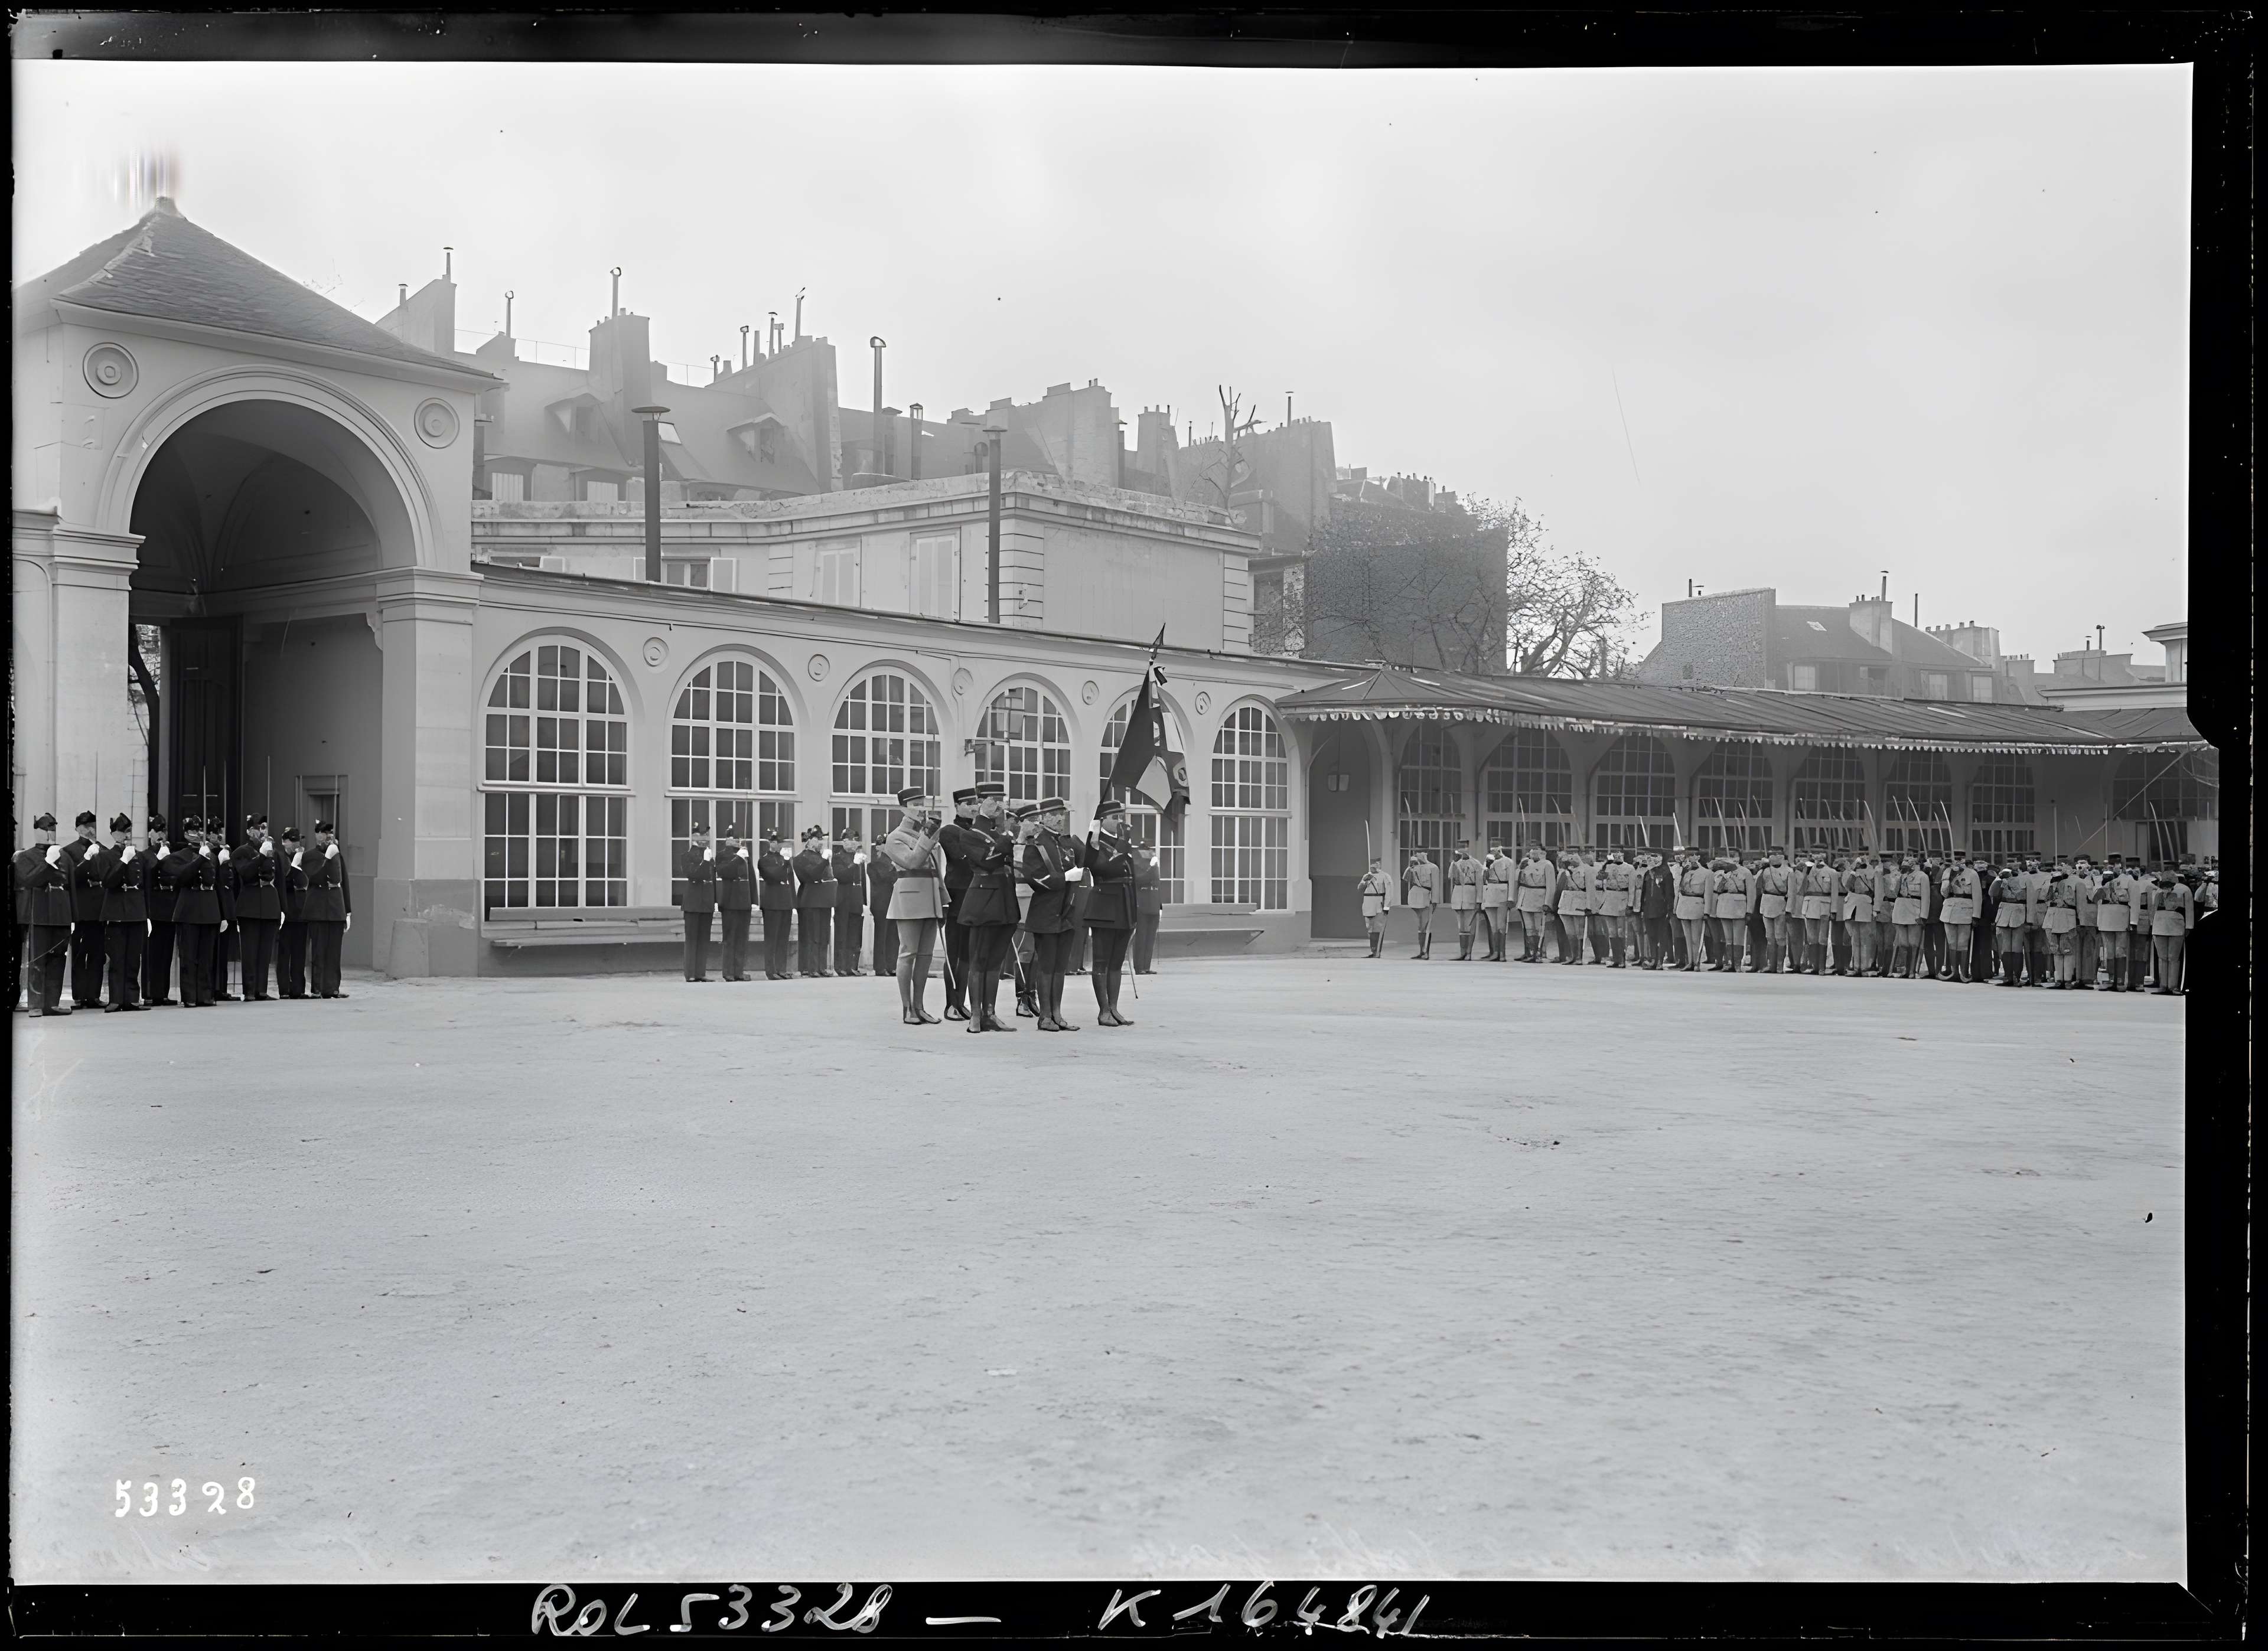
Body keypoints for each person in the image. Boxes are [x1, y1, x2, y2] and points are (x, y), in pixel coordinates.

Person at [954, 783, 1020, 1032]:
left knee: (995, 961)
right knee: (979, 960)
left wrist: (1007, 839)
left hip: (1004, 898)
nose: (999, 805)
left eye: (1001, 801)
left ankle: (990, 1013)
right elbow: (987, 860)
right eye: (993, 801)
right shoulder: (971, 833)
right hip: (983, 900)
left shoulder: (1001, 832)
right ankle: (976, 1014)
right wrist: (1007, 838)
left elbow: (1010, 858)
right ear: (980, 804)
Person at [1021, 795, 1086, 1032]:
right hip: (1046, 912)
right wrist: (1064, 878)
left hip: (1066, 912)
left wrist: (1090, 837)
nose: (1060, 819)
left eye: (1062, 815)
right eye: (1055, 815)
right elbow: (1036, 878)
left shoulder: (1067, 844)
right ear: (1044, 818)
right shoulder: (1036, 845)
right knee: (1047, 966)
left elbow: (1086, 860)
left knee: (1060, 967)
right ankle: (1045, 1016)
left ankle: (1057, 1013)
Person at [882, 787, 946, 1024]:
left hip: (930, 897)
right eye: (914, 804)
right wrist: (928, 838)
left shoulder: (926, 834)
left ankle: (920, 1006)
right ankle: (907, 1007)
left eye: (922, 803)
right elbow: (911, 861)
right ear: (902, 808)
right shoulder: (895, 837)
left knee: (926, 955)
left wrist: (943, 899)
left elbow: (936, 871)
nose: (920, 809)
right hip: (908, 897)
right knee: (908, 953)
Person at [1084, 798, 1139, 1026]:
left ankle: (1114, 1008)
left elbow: (1131, 877)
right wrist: (1123, 844)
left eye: (1121, 817)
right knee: (1101, 961)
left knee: (1117, 962)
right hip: (1104, 906)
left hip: (1123, 906)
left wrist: (1134, 910)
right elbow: (1105, 868)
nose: (1120, 822)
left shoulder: (1121, 843)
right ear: (1103, 820)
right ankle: (1103, 1010)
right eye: (1115, 818)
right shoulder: (1096, 842)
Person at [15, 814, 76, 1016]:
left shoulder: (65, 856)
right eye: (46, 830)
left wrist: (73, 917)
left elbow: (71, 887)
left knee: (58, 959)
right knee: (38, 960)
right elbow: (28, 881)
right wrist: (48, 863)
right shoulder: (25, 857)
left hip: (61, 913)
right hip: (39, 914)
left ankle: (52, 1003)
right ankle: (36, 1004)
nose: (51, 834)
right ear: (37, 831)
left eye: (53, 829)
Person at [936, 788, 984, 1020]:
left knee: (968, 954)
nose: (973, 807)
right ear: (957, 806)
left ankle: (962, 1001)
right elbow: (961, 858)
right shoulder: (949, 831)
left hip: (976, 896)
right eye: (968, 804)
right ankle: (951, 1003)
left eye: (975, 803)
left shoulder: (978, 830)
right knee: (954, 953)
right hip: (957, 897)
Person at [94, 813, 149, 1012]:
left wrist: (147, 914)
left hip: (136, 911)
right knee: (117, 958)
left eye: (128, 831)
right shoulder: (105, 856)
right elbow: (108, 881)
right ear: (113, 834)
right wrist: (123, 862)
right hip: (116, 911)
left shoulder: (139, 856)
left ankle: (133, 998)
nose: (125, 835)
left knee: (134, 957)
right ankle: (116, 999)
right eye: (121, 832)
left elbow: (145, 886)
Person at [166, 818, 221, 1007]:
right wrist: (200, 860)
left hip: (209, 907)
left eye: (199, 831)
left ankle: (205, 994)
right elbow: (181, 878)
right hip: (189, 908)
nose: (197, 834)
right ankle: (189, 996)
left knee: (206, 956)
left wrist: (223, 914)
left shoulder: (212, 856)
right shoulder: (178, 855)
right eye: (193, 831)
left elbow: (218, 884)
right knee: (189, 957)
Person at [232, 814, 283, 1001]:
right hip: (250, 905)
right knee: (250, 952)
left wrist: (282, 908)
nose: (263, 831)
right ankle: (250, 990)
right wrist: (261, 856)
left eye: (265, 828)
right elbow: (245, 874)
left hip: (269, 905)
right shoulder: (241, 852)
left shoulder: (273, 851)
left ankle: (262, 990)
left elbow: (281, 882)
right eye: (259, 828)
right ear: (249, 831)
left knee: (265, 952)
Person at [302, 820, 352, 999]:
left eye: (330, 833)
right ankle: (317, 988)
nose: (328, 836)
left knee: (334, 952)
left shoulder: (337, 854)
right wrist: (327, 859)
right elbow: (315, 877)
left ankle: (332, 988)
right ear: (317, 835)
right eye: (324, 833)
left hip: (336, 908)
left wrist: (348, 910)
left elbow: (343, 881)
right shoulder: (309, 856)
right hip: (318, 909)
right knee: (319, 951)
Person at [63, 809, 106, 1009]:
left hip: (99, 907)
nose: (91, 831)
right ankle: (80, 995)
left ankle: (94, 995)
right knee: (80, 954)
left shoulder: (102, 848)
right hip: (81, 907)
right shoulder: (69, 851)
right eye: (87, 827)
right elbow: (71, 878)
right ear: (78, 829)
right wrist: (87, 859)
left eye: (93, 827)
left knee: (97, 952)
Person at [140, 814, 180, 1006]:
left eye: (163, 831)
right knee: (152, 954)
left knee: (166, 953)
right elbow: (147, 878)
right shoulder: (146, 855)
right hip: (154, 910)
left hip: (169, 908)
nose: (160, 835)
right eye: (157, 831)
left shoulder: (171, 855)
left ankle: (162, 993)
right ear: (150, 833)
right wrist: (159, 860)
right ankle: (149, 993)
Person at [1009, 802, 1042, 1018]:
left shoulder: (1040, 845)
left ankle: (1033, 993)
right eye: (1031, 821)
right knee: (1024, 949)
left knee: (1036, 950)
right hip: (1021, 899)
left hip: (1039, 899)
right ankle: (1022, 997)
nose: (1036, 825)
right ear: (1022, 823)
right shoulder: (1014, 846)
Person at [790, 826, 835, 977]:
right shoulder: (800, 858)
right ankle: (810, 967)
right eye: (817, 839)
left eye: (821, 839)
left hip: (824, 898)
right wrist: (824, 861)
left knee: (823, 935)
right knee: (812, 935)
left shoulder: (820, 856)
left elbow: (828, 876)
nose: (820, 842)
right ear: (808, 842)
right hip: (810, 899)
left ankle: (821, 967)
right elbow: (812, 875)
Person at [206, 815, 241, 1003]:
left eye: (221, 832)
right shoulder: (208, 854)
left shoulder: (227, 853)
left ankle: (222, 987)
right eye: (216, 833)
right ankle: (211, 987)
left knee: (224, 953)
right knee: (213, 952)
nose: (219, 836)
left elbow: (232, 883)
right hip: (216, 909)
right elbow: (217, 884)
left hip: (228, 908)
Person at [678, 819, 718, 982]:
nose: (704, 839)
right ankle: (690, 974)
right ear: (693, 837)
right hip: (693, 902)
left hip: (706, 902)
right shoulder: (687, 856)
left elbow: (713, 879)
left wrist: (715, 900)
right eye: (700, 836)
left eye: (706, 836)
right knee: (692, 939)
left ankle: (701, 973)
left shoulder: (708, 855)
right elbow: (693, 874)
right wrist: (705, 862)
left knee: (703, 939)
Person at [715, 823, 754, 981]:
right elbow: (724, 872)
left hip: (744, 901)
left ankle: (739, 971)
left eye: (735, 839)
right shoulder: (723, 855)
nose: (733, 842)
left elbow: (750, 877)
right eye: (730, 839)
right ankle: (728, 971)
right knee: (730, 938)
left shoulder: (743, 854)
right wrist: (737, 859)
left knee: (742, 938)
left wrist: (753, 899)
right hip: (730, 901)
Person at [2145, 863, 2192, 996]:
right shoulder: (2158, 891)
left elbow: (2189, 909)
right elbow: (2153, 909)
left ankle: (2173, 986)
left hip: (2175, 927)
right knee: (2163, 958)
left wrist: (2189, 926)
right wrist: (2152, 925)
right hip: (2160, 926)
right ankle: (2164, 986)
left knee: (2173, 958)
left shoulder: (2184, 890)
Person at [276, 825, 311, 999]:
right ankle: (284, 989)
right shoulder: (280, 857)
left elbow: (308, 880)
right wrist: (295, 867)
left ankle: (298, 988)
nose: (297, 845)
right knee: (284, 953)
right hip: (286, 911)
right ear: (285, 842)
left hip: (302, 912)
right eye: (293, 841)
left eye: (298, 841)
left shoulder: (305, 858)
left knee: (300, 953)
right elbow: (283, 881)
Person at [2094, 854, 2137, 993]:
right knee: (2109, 951)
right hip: (2106, 919)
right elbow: (2096, 900)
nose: (2115, 866)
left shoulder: (2129, 881)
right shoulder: (2102, 880)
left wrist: (2133, 921)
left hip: (2121, 919)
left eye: (2117, 863)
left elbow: (2135, 902)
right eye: (2112, 863)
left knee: (2120, 950)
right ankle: (2110, 980)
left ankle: (2120, 981)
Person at [757, 830, 796, 981]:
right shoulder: (764, 860)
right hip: (772, 903)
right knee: (772, 938)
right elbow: (774, 877)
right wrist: (786, 863)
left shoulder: (783, 859)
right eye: (773, 842)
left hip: (785, 903)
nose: (775, 845)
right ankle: (771, 970)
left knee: (783, 938)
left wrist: (793, 902)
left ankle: (781, 968)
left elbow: (790, 881)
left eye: (777, 842)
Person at [1939, 849, 1980, 983]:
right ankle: (1953, 971)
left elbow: (1977, 896)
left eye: (1960, 858)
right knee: (1951, 942)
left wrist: (1976, 916)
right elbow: (1944, 893)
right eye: (1955, 858)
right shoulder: (1947, 872)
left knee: (1963, 943)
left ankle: (1964, 972)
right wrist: (1949, 878)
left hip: (1966, 909)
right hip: (1950, 908)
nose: (1957, 861)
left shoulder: (1972, 874)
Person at [1753, 846, 1793, 974]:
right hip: (1766, 903)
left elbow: (1791, 893)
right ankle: (1771, 965)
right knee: (1769, 937)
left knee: (1780, 937)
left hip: (1780, 903)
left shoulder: (1789, 872)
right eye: (1771, 855)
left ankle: (1780, 966)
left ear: (1782, 856)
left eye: (1776, 854)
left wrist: (1789, 910)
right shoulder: (1765, 871)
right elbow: (1757, 886)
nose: (1774, 857)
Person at [832, 830, 866, 977]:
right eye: (850, 841)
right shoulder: (838, 858)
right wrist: (854, 864)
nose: (853, 844)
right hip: (843, 898)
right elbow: (841, 876)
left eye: (855, 841)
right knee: (842, 933)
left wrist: (864, 900)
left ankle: (853, 966)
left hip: (856, 899)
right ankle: (841, 967)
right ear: (844, 842)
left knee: (855, 934)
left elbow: (862, 880)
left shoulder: (857, 857)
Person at [1712, 853, 1754, 974]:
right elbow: (1718, 890)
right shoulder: (1721, 873)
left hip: (1739, 906)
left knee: (1738, 938)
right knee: (1728, 938)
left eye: (1734, 857)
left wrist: (1749, 911)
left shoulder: (1745, 872)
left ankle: (1737, 964)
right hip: (1724, 906)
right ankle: (1729, 962)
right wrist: (1724, 877)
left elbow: (1751, 893)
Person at [1593, 848, 1635, 967]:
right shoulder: (1608, 867)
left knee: (1621, 931)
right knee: (1612, 932)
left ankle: (1622, 959)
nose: (1617, 856)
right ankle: (1616, 959)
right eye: (1614, 854)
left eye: (1619, 854)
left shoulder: (1630, 868)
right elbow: (1599, 879)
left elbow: (1631, 888)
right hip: (1610, 899)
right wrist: (1606, 864)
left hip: (1622, 898)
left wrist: (1630, 905)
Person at [1887, 854, 1927, 979]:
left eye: (1908, 862)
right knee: (1902, 942)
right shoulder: (1901, 876)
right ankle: (1903, 969)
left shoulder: (1922, 877)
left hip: (1915, 910)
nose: (1905, 864)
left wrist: (1923, 915)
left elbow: (1926, 898)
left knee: (1914, 943)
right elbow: (1894, 892)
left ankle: (1913, 970)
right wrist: (1898, 877)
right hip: (1901, 909)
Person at [1514, 843, 1556, 962]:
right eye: (1532, 850)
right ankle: (1531, 953)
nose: (1534, 852)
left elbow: (1551, 885)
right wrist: (1520, 868)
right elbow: (1518, 880)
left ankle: (1540, 953)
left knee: (1539, 928)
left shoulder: (1547, 865)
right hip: (1526, 898)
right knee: (1529, 928)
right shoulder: (1526, 863)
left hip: (1540, 898)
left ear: (1543, 852)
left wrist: (1548, 903)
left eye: (1537, 849)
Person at [1990, 862, 2029, 987]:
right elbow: (1992, 893)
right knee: (2005, 947)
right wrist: (1999, 878)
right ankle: (2008, 977)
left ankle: (2016, 977)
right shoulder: (2002, 880)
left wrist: (2030, 919)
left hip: (2019, 911)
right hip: (2004, 912)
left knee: (2017, 947)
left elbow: (2026, 897)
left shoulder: (2024, 879)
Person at [867, 833, 900, 977]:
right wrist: (892, 867)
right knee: (882, 936)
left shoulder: (891, 863)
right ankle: (880, 967)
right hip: (881, 904)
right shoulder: (874, 864)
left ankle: (892, 965)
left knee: (893, 936)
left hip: (893, 902)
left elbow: (895, 878)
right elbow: (883, 877)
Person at [1637, 848, 1676, 970]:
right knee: (1651, 936)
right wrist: (1642, 909)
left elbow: (1670, 893)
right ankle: (1653, 959)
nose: (1651, 859)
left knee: (1662, 936)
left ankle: (1660, 960)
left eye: (1654, 856)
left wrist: (1669, 909)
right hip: (1649, 908)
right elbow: (1643, 893)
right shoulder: (1648, 873)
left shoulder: (1666, 873)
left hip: (1662, 909)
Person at [1673, 849, 1711, 972]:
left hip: (1697, 905)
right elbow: (1678, 890)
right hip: (1684, 905)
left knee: (1697, 938)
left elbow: (1708, 894)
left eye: (1693, 855)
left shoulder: (1707, 873)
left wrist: (1707, 912)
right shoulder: (1683, 871)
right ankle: (1690, 962)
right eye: (1689, 856)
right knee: (1687, 938)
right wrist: (1675, 907)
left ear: (1698, 857)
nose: (1691, 858)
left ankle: (1697, 962)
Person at [1130, 840, 1164, 974]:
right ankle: (1139, 967)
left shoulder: (1154, 864)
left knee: (1151, 937)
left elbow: (1158, 883)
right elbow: (1138, 879)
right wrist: (1151, 868)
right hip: (1142, 900)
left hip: (1154, 900)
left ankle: (1146, 966)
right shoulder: (1137, 861)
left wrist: (1160, 906)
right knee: (1141, 935)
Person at [1553, 846, 1591, 965]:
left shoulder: (1586, 870)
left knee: (1579, 931)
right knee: (1570, 931)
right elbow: (1559, 888)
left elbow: (1589, 889)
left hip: (1579, 902)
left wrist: (1589, 906)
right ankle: (1572, 956)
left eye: (1574, 854)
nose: (1571, 857)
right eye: (1569, 855)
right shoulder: (1564, 871)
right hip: (1566, 903)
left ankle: (1579, 957)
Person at [1448, 839, 1484, 960]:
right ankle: (1462, 952)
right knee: (1461, 927)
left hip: (1470, 894)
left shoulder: (1476, 864)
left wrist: (1479, 900)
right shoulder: (1456, 864)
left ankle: (1469, 953)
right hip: (1459, 895)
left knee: (1470, 926)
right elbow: (1451, 877)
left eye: (1464, 847)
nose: (1462, 850)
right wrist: (1453, 861)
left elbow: (1479, 883)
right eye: (1460, 847)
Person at [2070, 854, 2101, 988]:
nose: (2081, 866)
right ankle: (2078, 977)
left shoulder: (2095, 878)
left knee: (2091, 949)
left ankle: (2090, 977)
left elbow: (2098, 897)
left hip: (2091, 916)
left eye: (2083, 863)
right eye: (2078, 863)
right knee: (2076, 949)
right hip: (2076, 916)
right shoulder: (2072, 878)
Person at [1405, 846, 1440, 960]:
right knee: (1420, 926)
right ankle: (1421, 951)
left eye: (1421, 852)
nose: (1419, 854)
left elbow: (1436, 885)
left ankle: (1426, 952)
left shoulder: (1433, 867)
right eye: (1417, 852)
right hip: (1415, 895)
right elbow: (1406, 879)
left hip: (1426, 895)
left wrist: (1435, 901)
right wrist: (1412, 866)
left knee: (1426, 925)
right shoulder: (1413, 867)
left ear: (1426, 853)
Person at [1479, 845, 1513, 961]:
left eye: (1495, 850)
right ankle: (1495, 953)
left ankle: (1502, 954)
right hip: (1490, 894)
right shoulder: (1488, 862)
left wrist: (1511, 898)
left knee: (1501, 926)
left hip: (1502, 893)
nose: (1493, 852)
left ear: (1500, 849)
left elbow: (1512, 880)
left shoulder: (1508, 862)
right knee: (1493, 926)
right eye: (1491, 850)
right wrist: (1487, 867)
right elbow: (1483, 880)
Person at [1358, 858, 1391, 956]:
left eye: (1375, 864)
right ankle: (1373, 951)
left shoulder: (1385, 876)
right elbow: (1360, 889)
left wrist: (1387, 907)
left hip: (1379, 904)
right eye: (1371, 864)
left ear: (1379, 865)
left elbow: (1389, 892)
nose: (1372, 866)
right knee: (1370, 929)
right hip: (1368, 904)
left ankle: (1378, 952)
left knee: (1378, 928)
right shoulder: (1367, 876)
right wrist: (1364, 881)